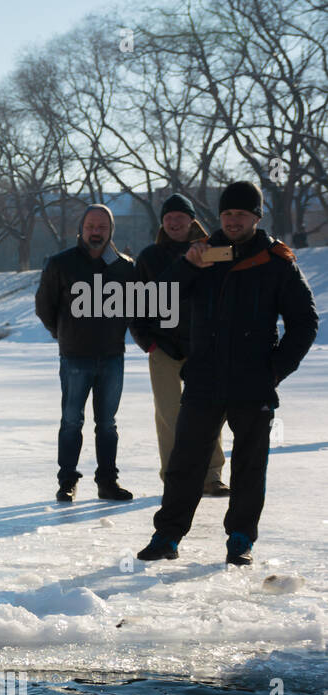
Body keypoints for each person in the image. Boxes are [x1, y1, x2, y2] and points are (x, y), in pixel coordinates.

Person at [137, 181, 318, 566]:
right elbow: (156, 299)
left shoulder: (275, 260)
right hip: (204, 377)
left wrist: (275, 369)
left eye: (241, 213)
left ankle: (240, 538)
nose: (233, 220)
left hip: (253, 381)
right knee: (185, 462)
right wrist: (188, 265)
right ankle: (167, 536)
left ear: (256, 216)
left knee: (250, 465)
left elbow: (305, 321)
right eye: (227, 213)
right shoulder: (203, 255)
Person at [34, 203, 136, 503]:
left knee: (107, 424)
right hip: (75, 357)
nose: (96, 231)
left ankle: (107, 482)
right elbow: (45, 307)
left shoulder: (125, 267)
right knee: (71, 421)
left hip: (112, 357)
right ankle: (67, 481)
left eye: (102, 227)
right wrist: (63, 333)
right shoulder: (60, 264)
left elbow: (134, 308)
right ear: (81, 228)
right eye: (91, 225)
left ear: (110, 231)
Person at [129, 193, 227, 496]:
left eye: (180, 217)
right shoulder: (149, 257)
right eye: (168, 217)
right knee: (170, 414)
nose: (174, 222)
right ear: (162, 222)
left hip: (204, 346)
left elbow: (225, 295)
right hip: (164, 347)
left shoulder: (212, 252)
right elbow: (136, 303)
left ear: (191, 220)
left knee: (210, 412)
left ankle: (211, 475)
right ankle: (175, 476)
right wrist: (148, 342)